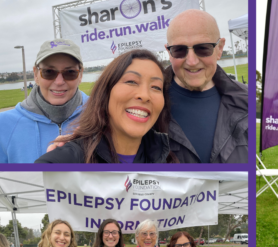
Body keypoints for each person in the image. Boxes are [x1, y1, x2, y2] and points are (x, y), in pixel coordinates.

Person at [35, 49, 175, 164]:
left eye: (156, 87)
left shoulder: (166, 157)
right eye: (131, 81)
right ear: (106, 93)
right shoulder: (70, 160)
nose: (145, 95)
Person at [164, 9, 248, 163]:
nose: (191, 61)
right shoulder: (147, 103)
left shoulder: (246, 100)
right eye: (179, 50)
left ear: (220, 48)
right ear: (169, 53)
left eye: (203, 48)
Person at [0, 40, 88, 163]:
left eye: (70, 72)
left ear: (80, 74)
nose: (59, 81)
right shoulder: (3, 124)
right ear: (36, 74)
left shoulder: (102, 114)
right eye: (49, 72)